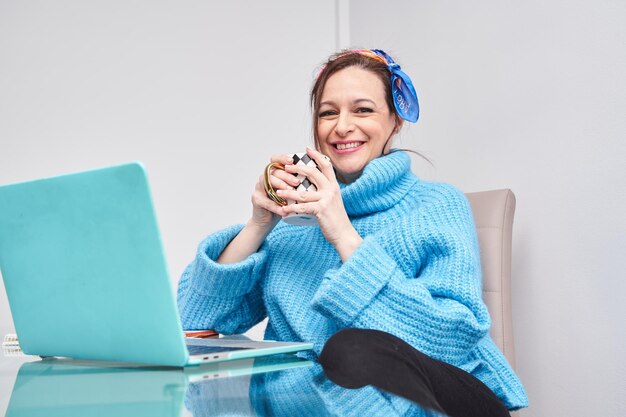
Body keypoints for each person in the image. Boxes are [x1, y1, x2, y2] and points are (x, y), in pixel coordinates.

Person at [177, 49, 528, 415]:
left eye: (363, 109)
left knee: (351, 349)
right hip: (297, 407)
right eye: (328, 112)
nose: (342, 126)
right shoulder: (295, 222)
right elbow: (192, 326)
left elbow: (450, 340)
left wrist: (343, 233)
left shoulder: (436, 205)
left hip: (417, 403)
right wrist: (259, 225)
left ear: (395, 120)